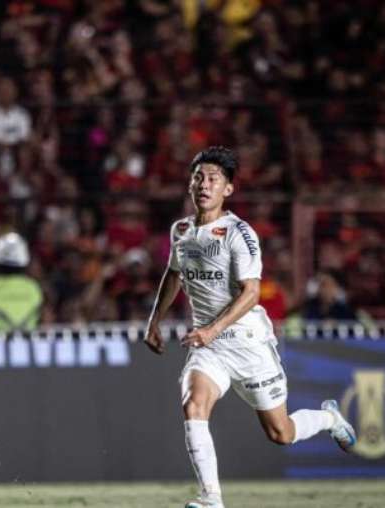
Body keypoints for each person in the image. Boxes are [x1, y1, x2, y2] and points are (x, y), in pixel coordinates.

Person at [143, 147, 356, 508]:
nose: (204, 185)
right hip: (209, 348)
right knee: (194, 405)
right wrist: (155, 320)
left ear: (228, 189)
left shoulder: (239, 234)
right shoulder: (181, 230)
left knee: (281, 432)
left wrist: (212, 329)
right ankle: (211, 500)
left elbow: (252, 292)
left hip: (248, 343)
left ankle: (327, 417)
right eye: (198, 177)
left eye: (213, 179)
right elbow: (174, 274)